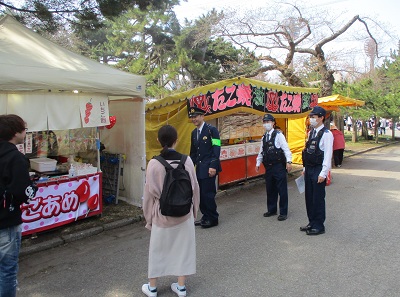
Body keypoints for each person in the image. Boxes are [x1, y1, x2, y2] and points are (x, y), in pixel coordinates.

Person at [142, 125, 200, 297]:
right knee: (184, 250)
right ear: (177, 140)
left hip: (162, 215)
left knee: (157, 250)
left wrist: (149, 219)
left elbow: (149, 195)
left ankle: (152, 288)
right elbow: (195, 188)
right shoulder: (187, 161)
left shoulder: (154, 163)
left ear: (159, 141)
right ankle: (181, 287)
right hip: (185, 214)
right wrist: (194, 212)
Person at [0, 114, 38, 297]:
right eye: (24, 128)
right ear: (16, 132)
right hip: (6, 221)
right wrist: (33, 187)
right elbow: (22, 192)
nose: (26, 132)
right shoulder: (14, 157)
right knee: (7, 270)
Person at [300, 106, 333, 235]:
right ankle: (311, 222)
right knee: (309, 197)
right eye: (310, 117)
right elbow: (307, 152)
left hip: (318, 169)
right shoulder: (311, 132)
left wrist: (324, 173)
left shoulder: (326, 134)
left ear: (321, 118)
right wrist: (304, 168)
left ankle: (319, 225)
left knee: (318, 198)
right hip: (309, 168)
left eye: (313, 117)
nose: (311, 119)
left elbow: (327, 155)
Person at [189, 106, 222, 229]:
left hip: (209, 168)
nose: (194, 119)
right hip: (199, 169)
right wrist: (189, 167)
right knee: (200, 194)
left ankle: (213, 218)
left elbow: (217, 148)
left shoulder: (211, 130)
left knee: (208, 194)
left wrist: (213, 165)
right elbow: (193, 153)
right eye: (192, 117)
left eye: (196, 116)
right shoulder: (193, 133)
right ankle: (205, 216)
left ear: (202, 116)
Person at [255, 114, 293, 221]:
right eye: (265, 122)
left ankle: (283, 212)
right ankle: (271, 210)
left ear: (273, 123)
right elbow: (261, 152)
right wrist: (258, 163)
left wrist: (289, 162)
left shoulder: (278, 135)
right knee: (270, 189)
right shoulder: (264, 137)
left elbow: (286, 149)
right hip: (269, 167)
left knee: (282, 190)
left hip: (278, 166)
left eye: (268, 122)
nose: (266, 124)